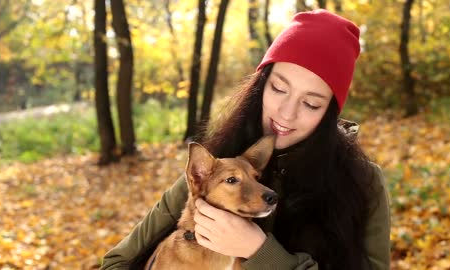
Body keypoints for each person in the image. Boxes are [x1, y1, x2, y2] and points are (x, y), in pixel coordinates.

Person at [101, 9, 390, 270]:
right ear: (262, 85)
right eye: (278, 89)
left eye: (311, 104)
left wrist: (260, 252)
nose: (286, 115)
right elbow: (115, 263)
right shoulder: (215, 164)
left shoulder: (362, 182)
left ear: (329, 113)